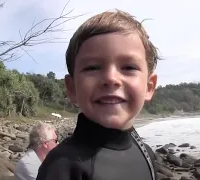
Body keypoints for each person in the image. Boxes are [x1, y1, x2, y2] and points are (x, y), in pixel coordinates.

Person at [36, 10, 159, 180]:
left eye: (129, 67)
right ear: (72, 89)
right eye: (92, 67)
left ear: (149, 87)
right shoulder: (63, 165)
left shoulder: (146, 153)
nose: (111, 78)